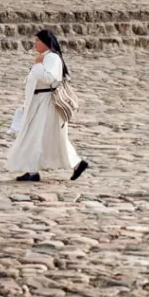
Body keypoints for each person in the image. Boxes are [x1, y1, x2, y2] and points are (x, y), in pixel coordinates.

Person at [8, 29, 89, 183]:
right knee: (42, 136)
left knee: (37, 135)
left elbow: (50, 77)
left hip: (46, 103)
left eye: (38, 41)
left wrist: (38, 66)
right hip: (38, 101)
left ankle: (34, 171)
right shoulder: (44, 58)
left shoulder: (51, 58)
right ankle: (35, 169)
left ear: (46, 42)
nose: (35, 44)